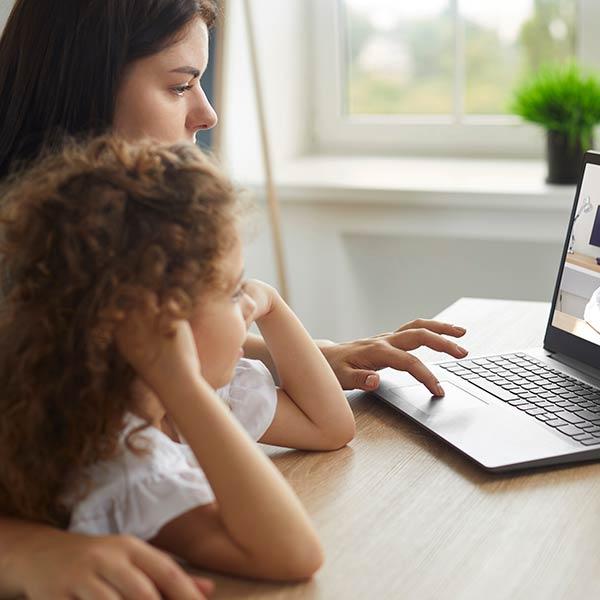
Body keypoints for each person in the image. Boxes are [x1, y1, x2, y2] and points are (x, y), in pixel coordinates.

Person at [0, 0, 469, 598]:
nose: (207, 113)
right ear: (83, 82)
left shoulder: (130, 258)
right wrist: (17, 547)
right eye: (179, 86)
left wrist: (296, 353)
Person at [1, 134, 354, 587]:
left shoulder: (202, 399)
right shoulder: (121, 457)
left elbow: (331, 428)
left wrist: (273, 304)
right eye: (232, 292)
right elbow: (295, 555)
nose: (247, 305)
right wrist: (183, 385)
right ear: (158, 327)